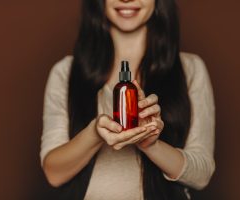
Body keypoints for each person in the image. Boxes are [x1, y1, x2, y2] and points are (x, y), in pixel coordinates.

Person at [40, 0, 215, 199]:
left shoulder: (190, 69)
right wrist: (95, 133)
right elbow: (54, 174)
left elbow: (202, 175)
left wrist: (152, 145)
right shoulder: (65, 72)